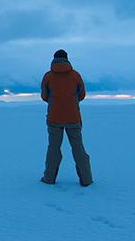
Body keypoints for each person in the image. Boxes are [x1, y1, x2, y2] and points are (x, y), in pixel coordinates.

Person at [40, 50, 93, 186]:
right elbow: (81, 94)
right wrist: (70, 103)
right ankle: (86, 180)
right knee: (78, 148)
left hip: (54, 118)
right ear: (67, 59)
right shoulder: (75, 75)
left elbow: (44, 96)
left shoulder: (48, 76)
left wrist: (56, 103)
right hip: (73, 118)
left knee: (53, 148)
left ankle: (49, 178)